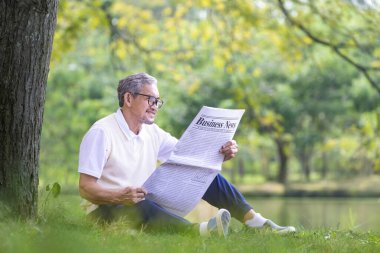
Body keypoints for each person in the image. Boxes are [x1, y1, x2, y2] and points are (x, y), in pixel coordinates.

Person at [78, 72, 296, 237]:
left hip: (142, 202)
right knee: (136, 205)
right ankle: (196, 232)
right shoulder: (102, 132)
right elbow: (86, 188)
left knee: (203, 171)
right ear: (128, 98)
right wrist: (119, 196)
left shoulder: (152, 132)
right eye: (150, 99)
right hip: (105, 211)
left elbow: (190, 156)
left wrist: (222, 151)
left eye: (158, 102)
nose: (155, 106)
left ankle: (255, 222)